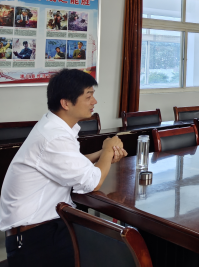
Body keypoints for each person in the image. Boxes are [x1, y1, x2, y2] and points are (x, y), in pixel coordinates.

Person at [0, 69, 127, 267]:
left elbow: (71, 163)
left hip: (48, 227)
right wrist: (109, 149)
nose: (94, 101)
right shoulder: (54, 136)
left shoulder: (54, 127)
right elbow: (92, 182)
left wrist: (103, 154)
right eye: (88, 96)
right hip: (36, 237)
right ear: (66, 103)